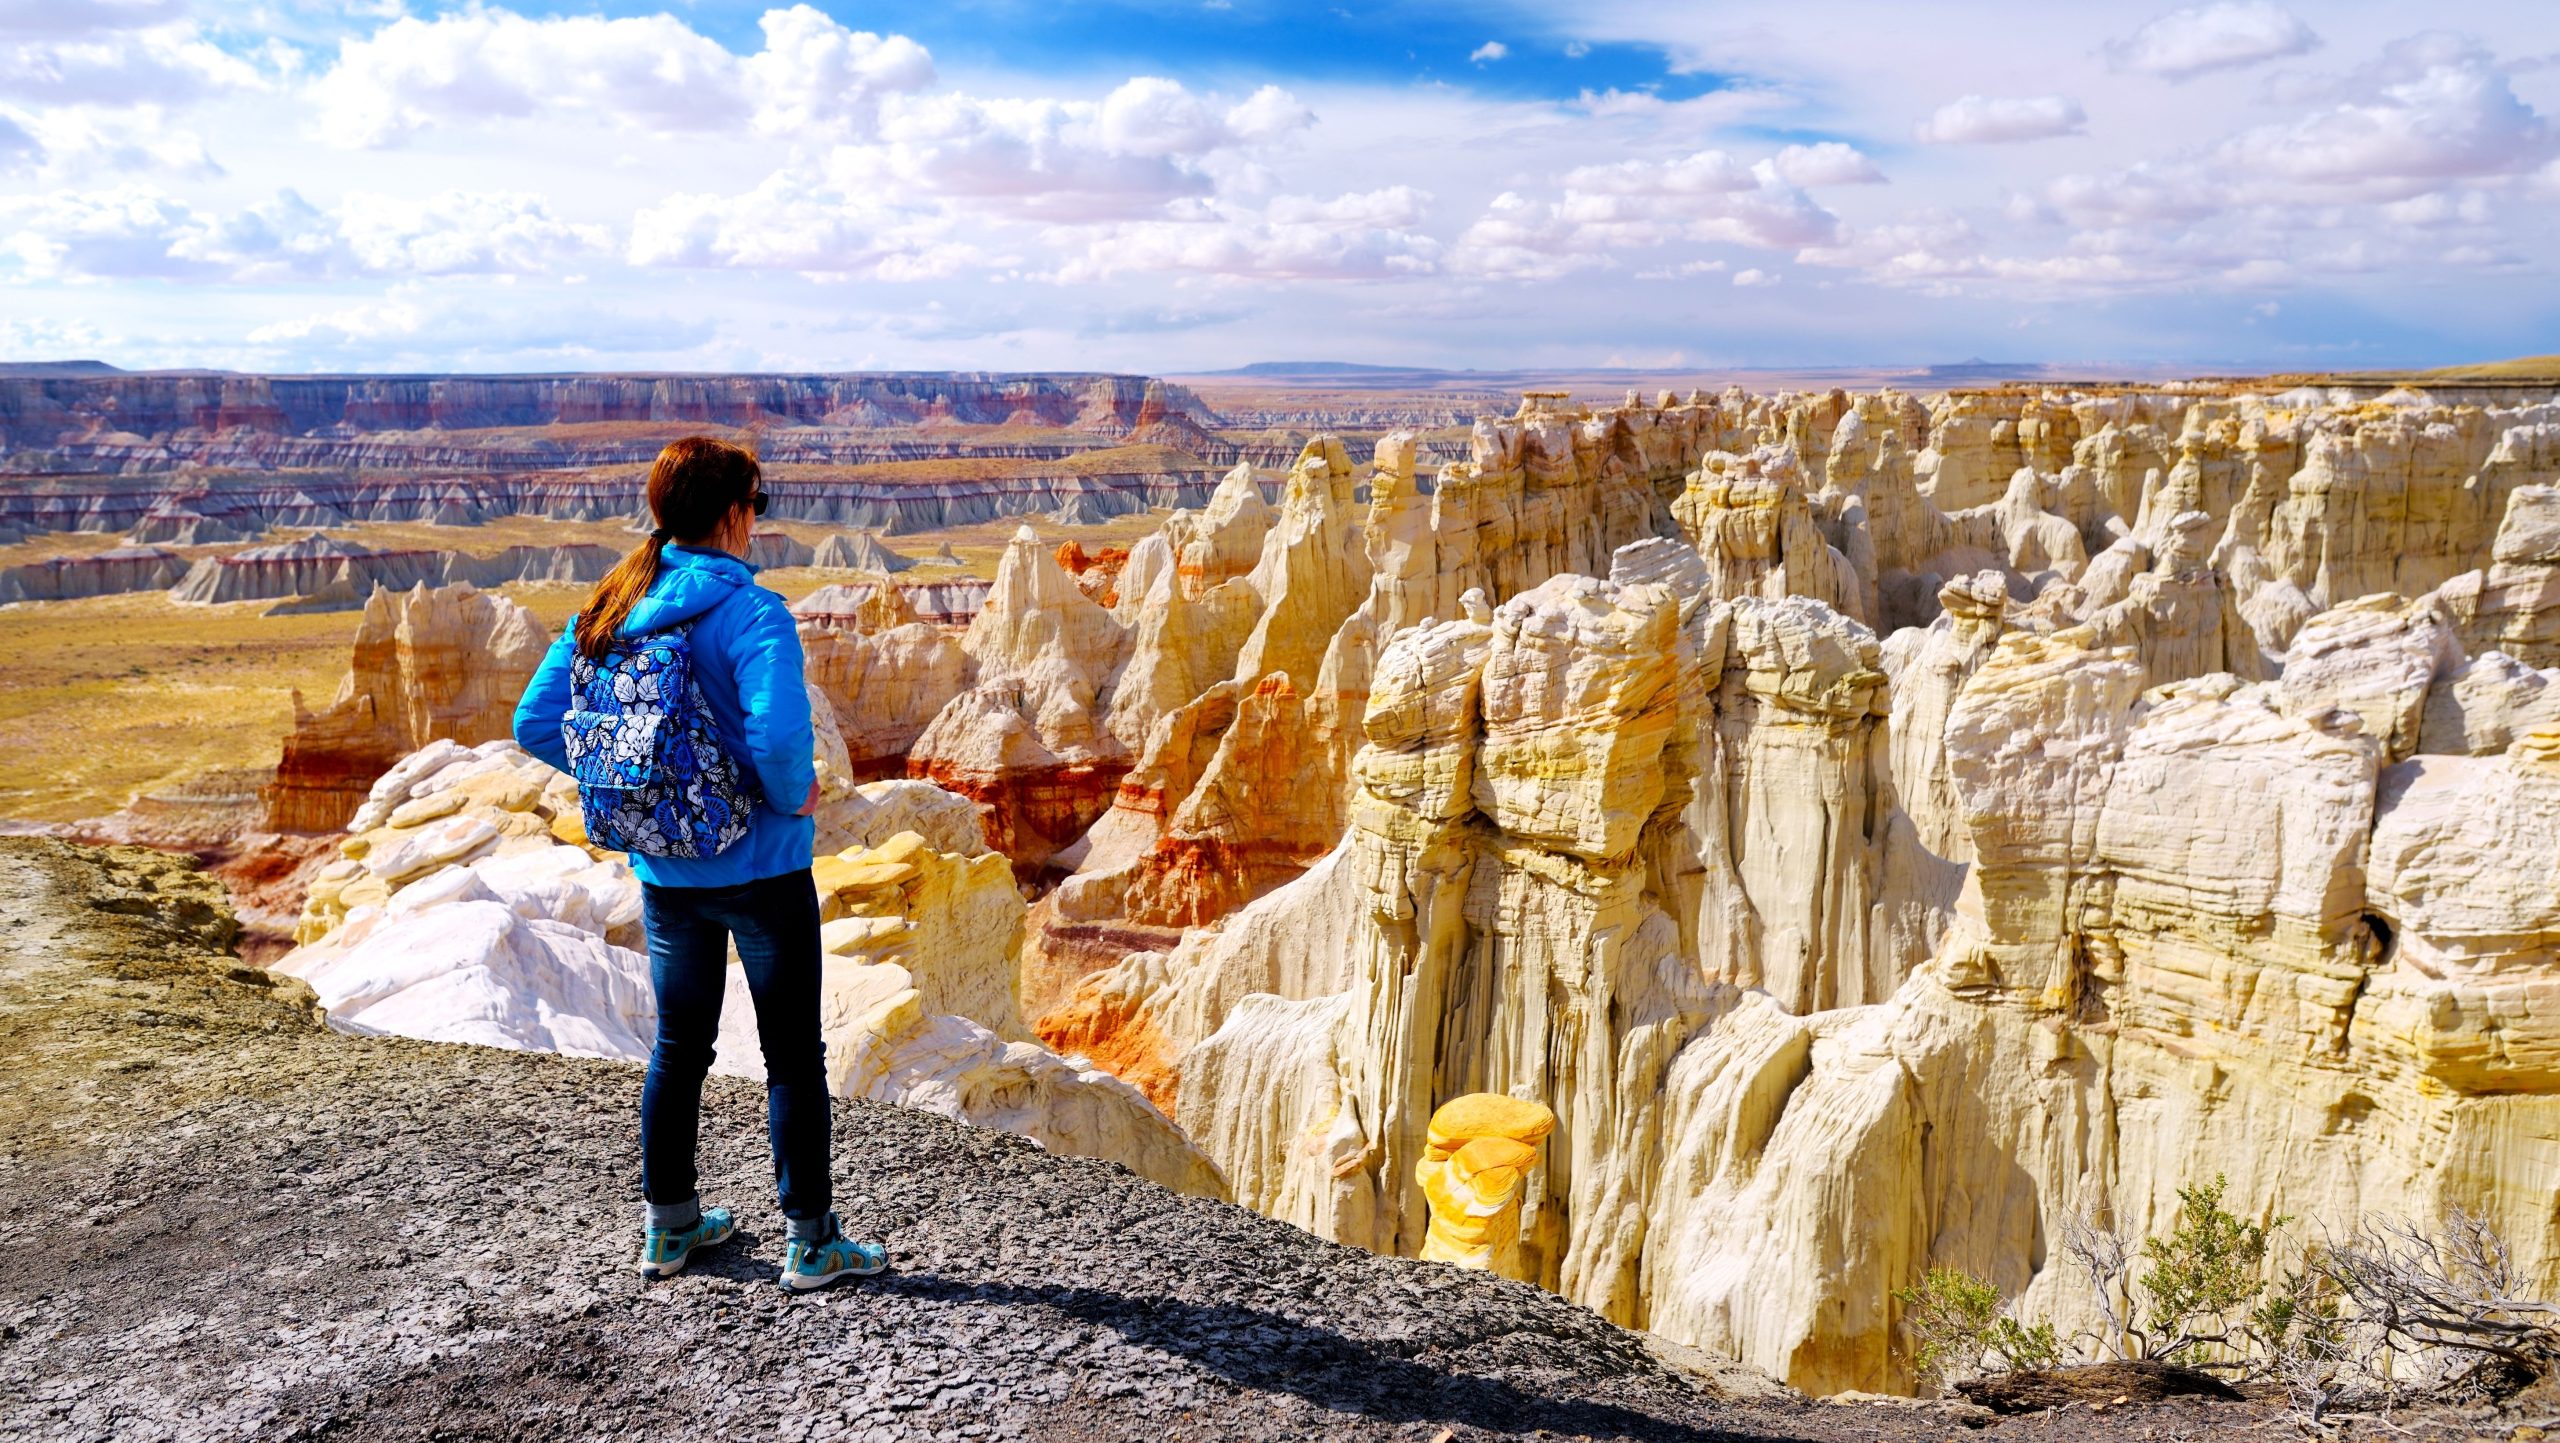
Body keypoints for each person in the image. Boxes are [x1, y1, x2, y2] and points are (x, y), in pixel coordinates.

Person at [512, 435, 888, 1293]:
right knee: (794, 1054)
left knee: (679, 1047)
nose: (757, 522)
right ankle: (811, 1241)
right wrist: (795, 796)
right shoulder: (754, 614)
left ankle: (669, 1228)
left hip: (667, 876)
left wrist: (636, 778)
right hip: (762, 873)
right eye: (756, 505)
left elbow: (536, 724)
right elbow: (781, 741)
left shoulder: (608, 607)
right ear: (731, 514)